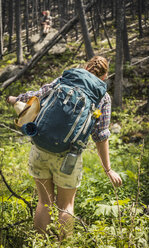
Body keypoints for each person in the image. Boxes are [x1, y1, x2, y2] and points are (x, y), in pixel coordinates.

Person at [7, 56, 122, 240]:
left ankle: (40, 244)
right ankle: (63, 244)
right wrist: (108, 169)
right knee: (66, 206)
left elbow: (37, 95)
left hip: (40, 147)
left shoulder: (65, 80)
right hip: (69, 156)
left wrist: (14, 99)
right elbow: (100, 136)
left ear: (85, 67)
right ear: (104, 76)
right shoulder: (103, 97)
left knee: (44, 202)